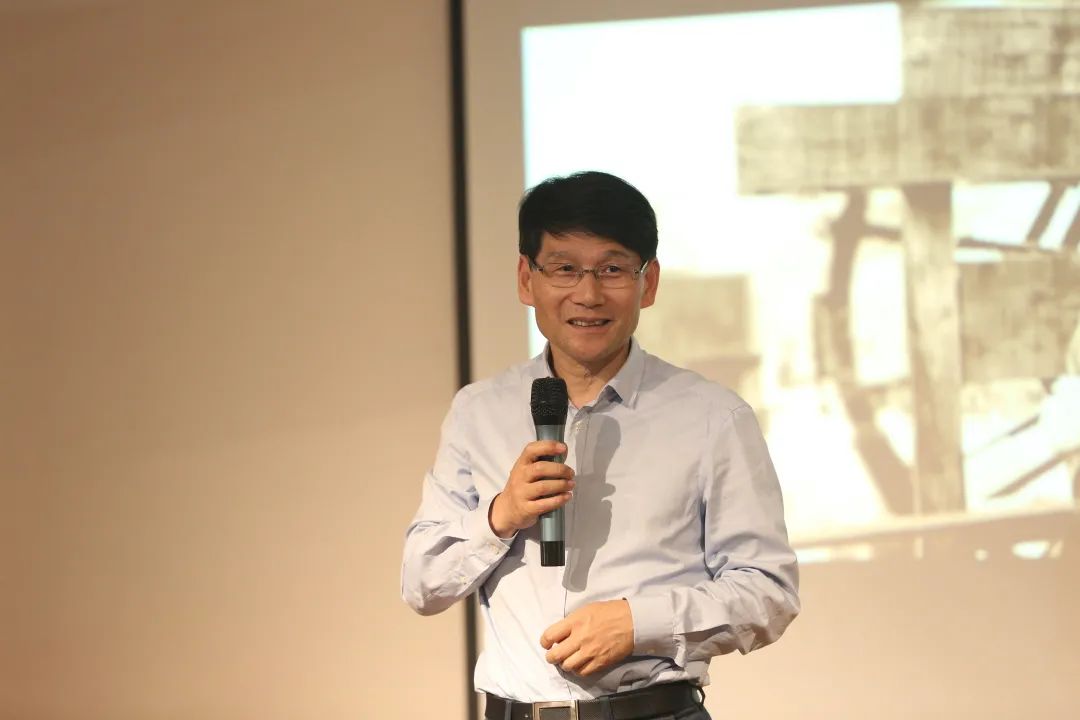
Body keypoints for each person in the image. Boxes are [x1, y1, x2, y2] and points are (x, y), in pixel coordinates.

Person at [401, 171, 799, 720]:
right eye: (564, 268)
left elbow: (768, 592)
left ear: (648, 282)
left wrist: (639, 622)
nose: (588, 295)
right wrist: (501, 515)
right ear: (526, 279)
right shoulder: (478, 411)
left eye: (612, 269)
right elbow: (423, 585)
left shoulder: (712, 416)